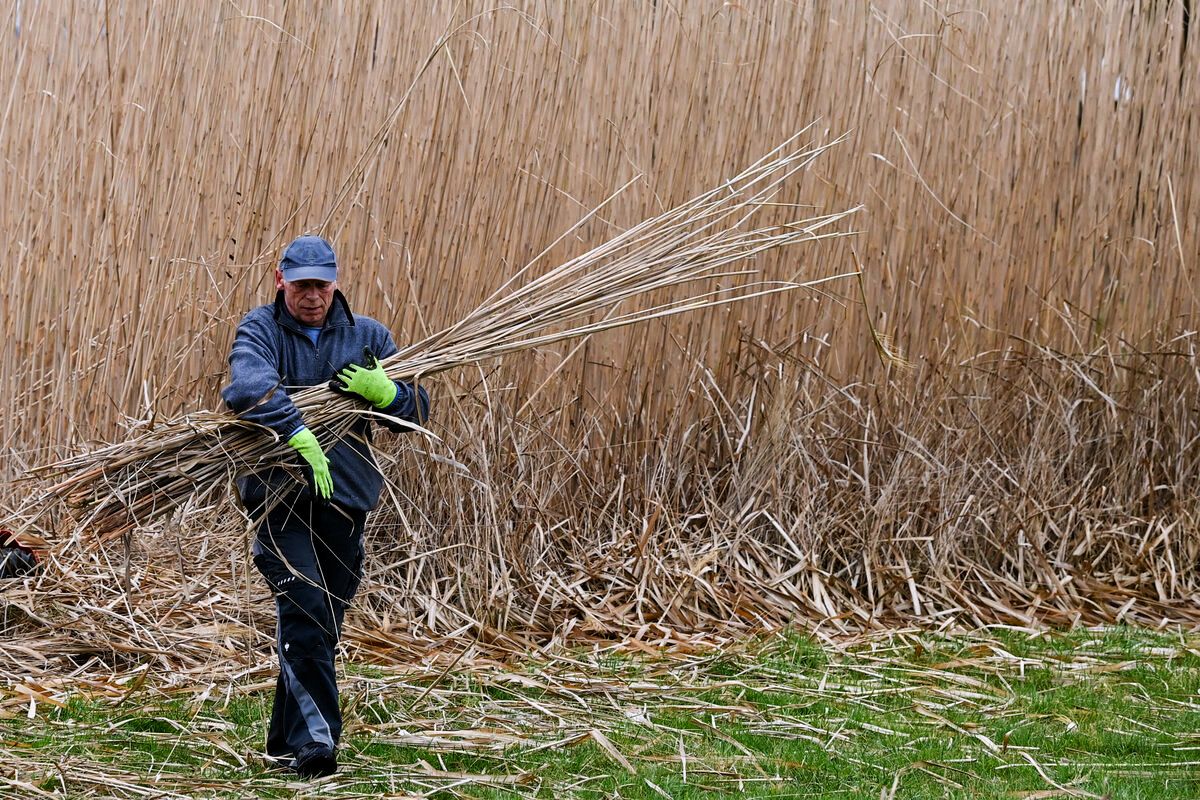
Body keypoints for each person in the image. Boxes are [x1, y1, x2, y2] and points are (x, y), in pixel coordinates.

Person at [221, 234, 429, 778]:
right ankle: (317, 745)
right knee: (307, 611)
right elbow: (246, 386)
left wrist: (390, 395)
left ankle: (280, 742)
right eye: (301, 285)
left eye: (321, 284)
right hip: (278, 500)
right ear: (280, 280)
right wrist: (296, 430)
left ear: (336, 282)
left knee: (320, 626)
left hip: (347, 500)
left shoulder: (367, 337)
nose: (312, 295)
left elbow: (415, 410)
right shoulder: (261, 329)